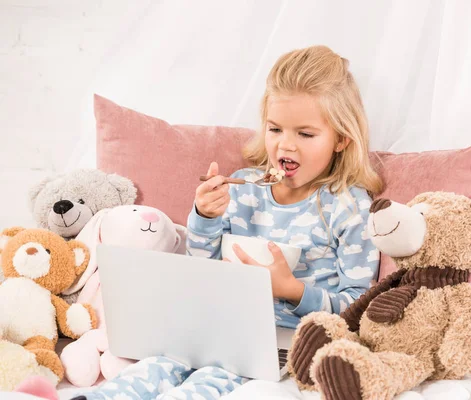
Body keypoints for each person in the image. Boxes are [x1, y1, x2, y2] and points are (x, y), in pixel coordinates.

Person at [73, 45, 383, 400]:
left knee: (212, 380)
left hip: (287, 340)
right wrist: (205, 218)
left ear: (341, 139)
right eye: (275, 128)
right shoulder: (245, 187)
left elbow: (360, 309)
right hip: (217, 325)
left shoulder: (349, 206)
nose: (286, 145)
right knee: (157, 364)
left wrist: (291, 291)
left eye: (306, 134)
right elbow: (202, 269)